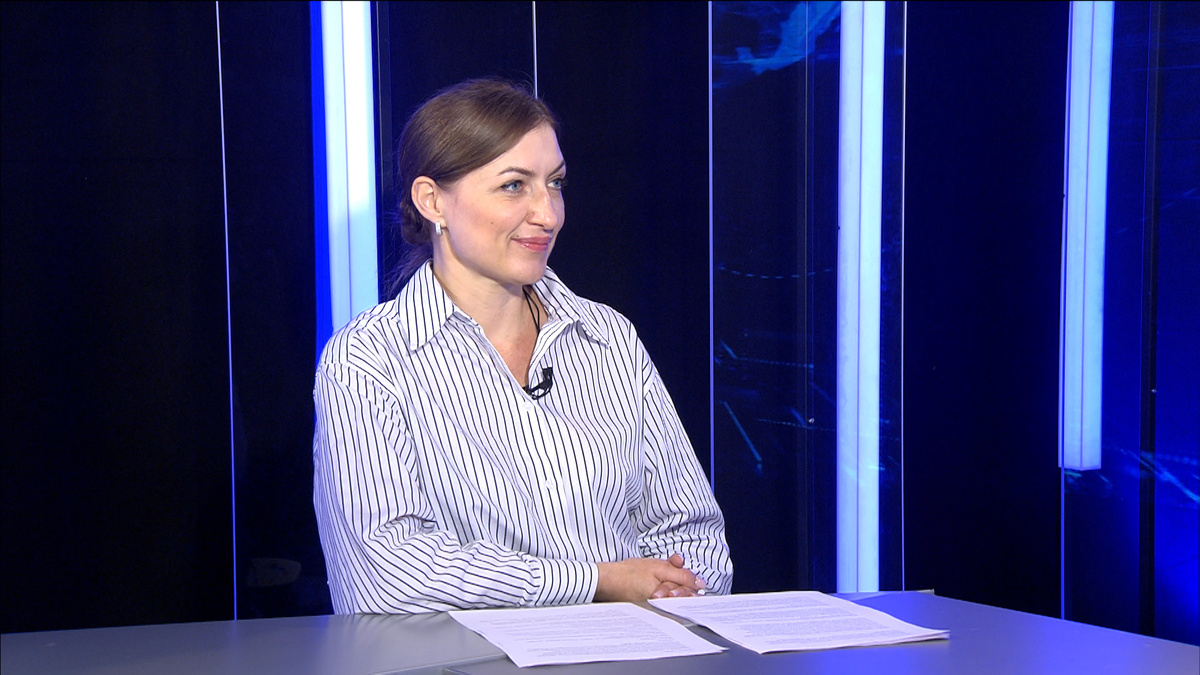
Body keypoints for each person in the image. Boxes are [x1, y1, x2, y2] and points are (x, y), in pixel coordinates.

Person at [312, 78, 732, 613]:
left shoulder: (608, 338)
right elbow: (389, 574)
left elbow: (693, 533)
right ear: (432, 200)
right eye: (514, 185)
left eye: (554, 183)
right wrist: (596, 582)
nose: (548, 214)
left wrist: (675, 590)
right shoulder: (367, 359)